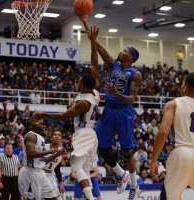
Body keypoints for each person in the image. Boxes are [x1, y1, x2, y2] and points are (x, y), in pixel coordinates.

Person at [31, 25, 101, 200]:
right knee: (84, 170)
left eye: (79, 81)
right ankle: (89, 197)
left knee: (76, 168)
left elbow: (63, 116)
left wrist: (43, 114)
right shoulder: (95, 91)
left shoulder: (84, 102)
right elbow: (94, 65)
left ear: (83, 86)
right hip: (90, 133)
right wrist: (93, 43)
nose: (77, 82)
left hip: (83, 133)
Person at [80, 15, 141, 199]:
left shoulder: (135, 73)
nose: (120, 52)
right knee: (101, 147)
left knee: (127, 150)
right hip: (109, 111)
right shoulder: (114, 64)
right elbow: (99, 48)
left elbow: (131, 98)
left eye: (124, 50)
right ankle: (121, 174)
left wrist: (117, 95)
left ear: (130, 56)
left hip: (125, 112)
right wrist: (85, 23)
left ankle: (134, 186)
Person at [18, 119, 66, 200]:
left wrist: (56, 154)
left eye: (41, 122)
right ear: (30, 126)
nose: (41, 123)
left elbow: (42, 161)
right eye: (37, 121)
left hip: (40, 172)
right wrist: (49, 151)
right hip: (31, 172)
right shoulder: (30, 135)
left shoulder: (40, 138)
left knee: (53, 198)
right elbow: (31, 153)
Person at [43, 131, 66, 200]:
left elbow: (57, 169)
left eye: (59, 135)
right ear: (51, 138)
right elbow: (41, 162)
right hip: (40, 173)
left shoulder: (62, 152)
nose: (57, 136)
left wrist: (61, 184)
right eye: (55, 135)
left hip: (50, 175)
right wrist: (56, 154)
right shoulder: (44, 147)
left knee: (57, 198)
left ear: (61, 139)